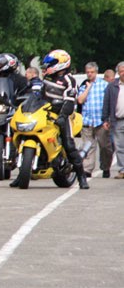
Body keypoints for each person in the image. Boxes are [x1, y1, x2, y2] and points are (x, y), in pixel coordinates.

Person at [12, 50, 89, 189]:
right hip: (46, 112)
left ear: (61, 64)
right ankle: (21, 174)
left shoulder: (69, 80)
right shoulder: (47, 78)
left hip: (63, 114)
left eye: (50, 63)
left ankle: (82, 177)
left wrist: (62, 117)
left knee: (69, 145)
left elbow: (70, 102)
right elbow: (38, 95)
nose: (47, 66)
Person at [76, 62, 111, 178]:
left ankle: (105, 167)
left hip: (100, 120)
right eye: (88, 72)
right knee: (88, 146)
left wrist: (108, 118)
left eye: (92, 72)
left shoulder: (104, 85)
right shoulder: (83, 86)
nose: (90, 74)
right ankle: (87, 169)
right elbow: (80, 101)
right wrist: (88, 88)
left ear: (96, 72)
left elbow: (108, 102)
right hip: (87, 121)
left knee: (105, 146)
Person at [102, 61, 124, 179]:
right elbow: (107, 103)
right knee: (119, 146)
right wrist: (105, 119)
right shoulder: (112, 86)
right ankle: (122, 170)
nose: (123, 73)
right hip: (118, 120)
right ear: (118, 73)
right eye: (121, 71)